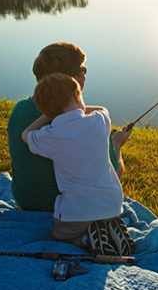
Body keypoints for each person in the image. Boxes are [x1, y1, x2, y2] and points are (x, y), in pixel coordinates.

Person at [7, 42, 131, 212]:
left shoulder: (20, 109)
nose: (85, 72)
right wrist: (116, 145)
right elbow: (113, 174)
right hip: (66, 209)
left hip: (25, 200)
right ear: (71, 80)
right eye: (82, 68)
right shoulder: (86, 124)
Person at [21, 72, 135, 256]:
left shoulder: (50, 136)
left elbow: (25, 134)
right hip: (113, 205)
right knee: (97, 213)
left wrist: (48, 115)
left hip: (77, 213)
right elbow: (103, 109)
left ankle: (86, 239)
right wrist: (80, 108)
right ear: (76, 95)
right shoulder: (99, 120)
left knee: (59, 233)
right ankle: (107, 227)